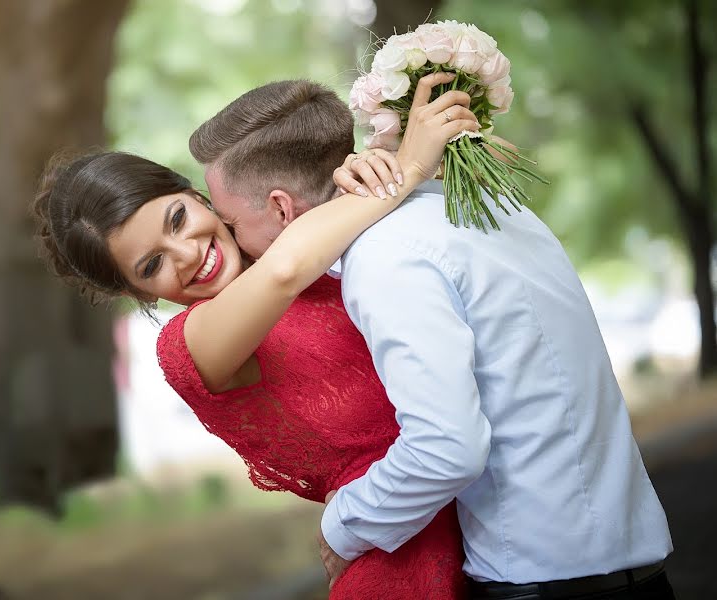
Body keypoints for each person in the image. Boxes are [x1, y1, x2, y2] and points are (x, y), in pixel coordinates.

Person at [188, 79, 675, 599]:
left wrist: (343, 525)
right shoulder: (486, 201)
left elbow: (448, 447)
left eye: (233, 223)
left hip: (545, 580)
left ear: (282, 209)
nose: (234, 241)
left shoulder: (383, 258)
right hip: (640, 567)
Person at [34, 73, 481, 599]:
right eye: (152, 264)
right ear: (140, 292)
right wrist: (406, 165)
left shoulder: (299, 231)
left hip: (494, 519)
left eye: (178, 219)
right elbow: (286, 270)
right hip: (406, 555)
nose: (187, 254)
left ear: (194, 194)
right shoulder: (193, 344)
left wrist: (363, 170)